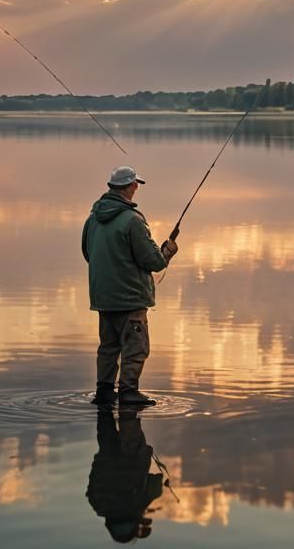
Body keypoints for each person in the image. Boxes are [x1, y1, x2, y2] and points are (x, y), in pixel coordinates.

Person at [82, 165, 177, 408]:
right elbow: (154, 262)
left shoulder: (92, 219)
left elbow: (88, 253)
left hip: (103, 298)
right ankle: (128, 392)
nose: (136, 188)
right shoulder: (133, 220)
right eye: (135, 184)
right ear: (129, 186)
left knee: (108, 347)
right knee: (136, 347)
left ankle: (104, 392)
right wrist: (167, 252)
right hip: (130, 298)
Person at [86, 410, 165, 542]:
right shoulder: (99, 506)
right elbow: (92, 482)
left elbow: (156, 483)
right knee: (105, 420)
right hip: (107, 458)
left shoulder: (138, 506)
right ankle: (105, 399)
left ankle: (128, 401)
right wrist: (99, 462)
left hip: (134, 459)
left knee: (129, 422)